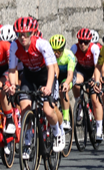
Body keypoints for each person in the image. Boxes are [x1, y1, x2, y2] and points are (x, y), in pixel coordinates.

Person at [5, 17, 63, 156]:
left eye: (26, 34)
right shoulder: (14, 46)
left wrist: (48, 87)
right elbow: (12, 69)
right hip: (29, 76)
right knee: (25, 108)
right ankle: (27, 141)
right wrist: (13, 85)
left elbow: (51, 69)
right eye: (19, 34)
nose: (22, 37)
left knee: (48, 111)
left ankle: (57, 132)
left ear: (33, 33)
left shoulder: (42, 44)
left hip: (45, 76)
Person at [71, 28, 104, 141]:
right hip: (81, 69)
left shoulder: (94, 48)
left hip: (93, 70)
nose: (83, 45)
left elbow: (97, 68)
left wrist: (95, 80)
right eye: (81, 41)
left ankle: (99, 129)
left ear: (90, 42)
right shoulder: (74, 48)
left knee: (94, 100)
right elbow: (71, 66)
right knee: (75, 82)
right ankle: (79, 104)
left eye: (86, 42)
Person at [50, 34, 76, 133]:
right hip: (57, 76)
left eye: (59, 51)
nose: (56, 54)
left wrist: (66, 84)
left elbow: (70, 75)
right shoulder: (49, 56)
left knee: (63, 90)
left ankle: (66, 119)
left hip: (68, 76)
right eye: (54, 51)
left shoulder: (69, 55)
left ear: (63, 49)